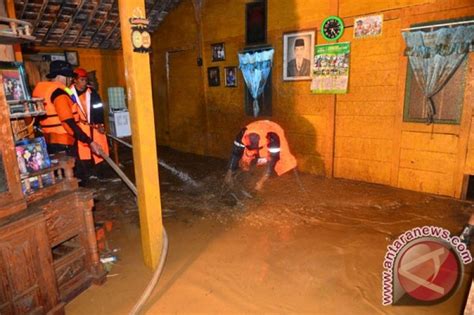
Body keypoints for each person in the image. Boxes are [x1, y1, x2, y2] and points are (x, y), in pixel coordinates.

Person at [32, 60, 102, 182]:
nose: (70, 80)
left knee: (59, 177)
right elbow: (68, 122)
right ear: (60, 76)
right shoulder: (59, 94)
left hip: (48, 142)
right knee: (75, 177)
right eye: (69, 77)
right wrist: (89, 141)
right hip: (63, 143)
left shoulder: (42, 91)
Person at [224, 120, 297, 191]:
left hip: (273, 130)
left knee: (280, 163)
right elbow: (235, 153)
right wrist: (229, 172)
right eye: (250, 148)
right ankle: (251, 173)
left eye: (255, 150)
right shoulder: (242, 135)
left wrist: (262, 181)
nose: (253, 152)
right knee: (245, 161)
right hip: (256, 131)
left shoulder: (273, 137)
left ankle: (268, 176)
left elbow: (273, 159)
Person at [70, 68, 109, 179]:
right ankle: (85, 174)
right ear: (75, 80)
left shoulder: (92, 93)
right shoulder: (68, 92)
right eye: (81, 80)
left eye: (85, 80)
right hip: (78, 126)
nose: (84, 82)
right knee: (82, 151)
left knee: (100, 148)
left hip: (93, 125)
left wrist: (100, 124)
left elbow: (98, 108)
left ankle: (100, 173)